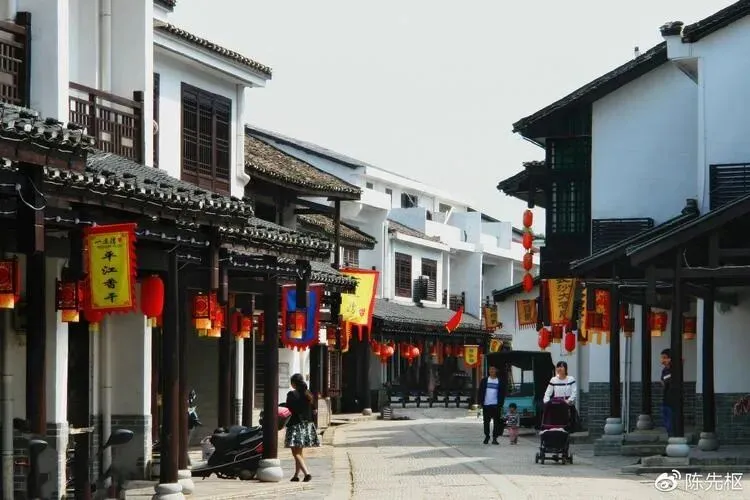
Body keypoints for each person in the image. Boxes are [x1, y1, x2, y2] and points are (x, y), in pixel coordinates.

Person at [284, 373, 320, 482]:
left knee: (295, 453)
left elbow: (288, 409)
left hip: (295, 425)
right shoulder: (308, 394)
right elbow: (314, 411)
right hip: (307, 426)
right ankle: (296, 475)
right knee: (299, 453)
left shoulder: (291, 395)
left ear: (293, 383)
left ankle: (307, 473)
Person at [543, 361, 578, 431]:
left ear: (566, 368)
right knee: (557, 425)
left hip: (568, 404)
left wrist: (569, 400)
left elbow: (574, 392)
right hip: (557, 405)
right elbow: (548, 392)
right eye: (558, 367)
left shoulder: (571, 379)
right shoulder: (553, 380)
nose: (559, 368)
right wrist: (547, 402)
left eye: (561, 367)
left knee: (568, 425)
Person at [478, 365, 505, 445]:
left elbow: (503, 393)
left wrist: (501, 404)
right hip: (486, 404)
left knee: (496, 422)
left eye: (493, 369)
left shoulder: (499, 381)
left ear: (496, 370)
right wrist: (480, 402)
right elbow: (480, 392)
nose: (492, 371)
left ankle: (495, 438)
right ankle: (487, 436)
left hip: (496, 405)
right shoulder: (484, 380)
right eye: (490, 369)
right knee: (486, 422)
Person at [660, 348, 677, 437]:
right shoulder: (664, 370)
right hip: (666, 398)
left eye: (665, 358)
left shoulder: (675, 369)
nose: (662, 361)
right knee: (666, 416)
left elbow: (666, 381)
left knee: (671, 419)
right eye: (662, 358)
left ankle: (672, 435)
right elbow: (663, 382)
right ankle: (670, 434)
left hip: (673, 399)